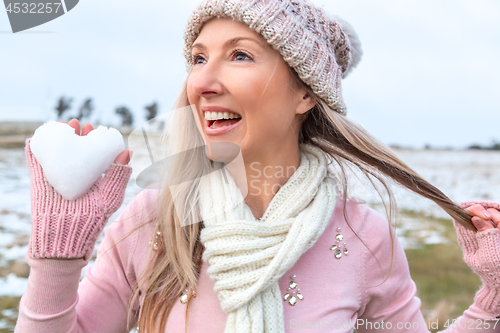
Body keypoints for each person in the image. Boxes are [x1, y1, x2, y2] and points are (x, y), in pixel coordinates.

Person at [15, 0, 500, 332]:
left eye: (240, 55)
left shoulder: (363, 237)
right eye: (198, 58)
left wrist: (493, 298)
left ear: (306, 93)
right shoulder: (152, 219)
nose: (202, 82)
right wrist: (59, 254)